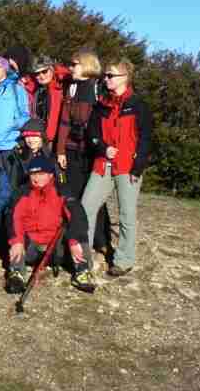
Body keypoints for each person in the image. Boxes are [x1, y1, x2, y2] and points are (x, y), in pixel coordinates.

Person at [81, 58, 152, 277]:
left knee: (127, 214)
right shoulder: (101, 105)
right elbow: (92, 133)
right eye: (106, 75)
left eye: (111, 75)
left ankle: (124, 260)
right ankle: (83, 258)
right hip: (103, 164)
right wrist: (103, 148)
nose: (106, 79)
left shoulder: (139, 106)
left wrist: (137, 166)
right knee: (86, 207)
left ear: (125, 78)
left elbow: (146, 138)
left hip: (128, 167)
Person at [6, 156, 96, 294]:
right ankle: (17, 273)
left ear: (50, 175)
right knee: (17, 237)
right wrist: (17, 241)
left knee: (78, 234)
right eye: (33, 174)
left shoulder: (62, 191)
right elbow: (14, 218)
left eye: (41, 174)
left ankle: (83, 271)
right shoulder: (22, 193)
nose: (37, 178)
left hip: (57, 248)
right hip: (32, 249)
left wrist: (73, 241)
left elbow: (78, 216)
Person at [56, 50, 112, 254]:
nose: (71, 68)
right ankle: (75, 237)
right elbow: (64, 122)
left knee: (94, 197)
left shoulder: (99, 88)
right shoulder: (71, 88)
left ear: (87, 65)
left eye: (75, 64)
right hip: (72, 149)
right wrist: (60, 150)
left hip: (94, 151)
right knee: (74, 195)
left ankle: (101, 239)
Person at [30, 55, 69, 150]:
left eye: (44, 71)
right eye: (37, 73)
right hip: (39, 137)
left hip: (58, 140)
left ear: (51, 69)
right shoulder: (37, 90)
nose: (41, 76)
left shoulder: (62, 86)